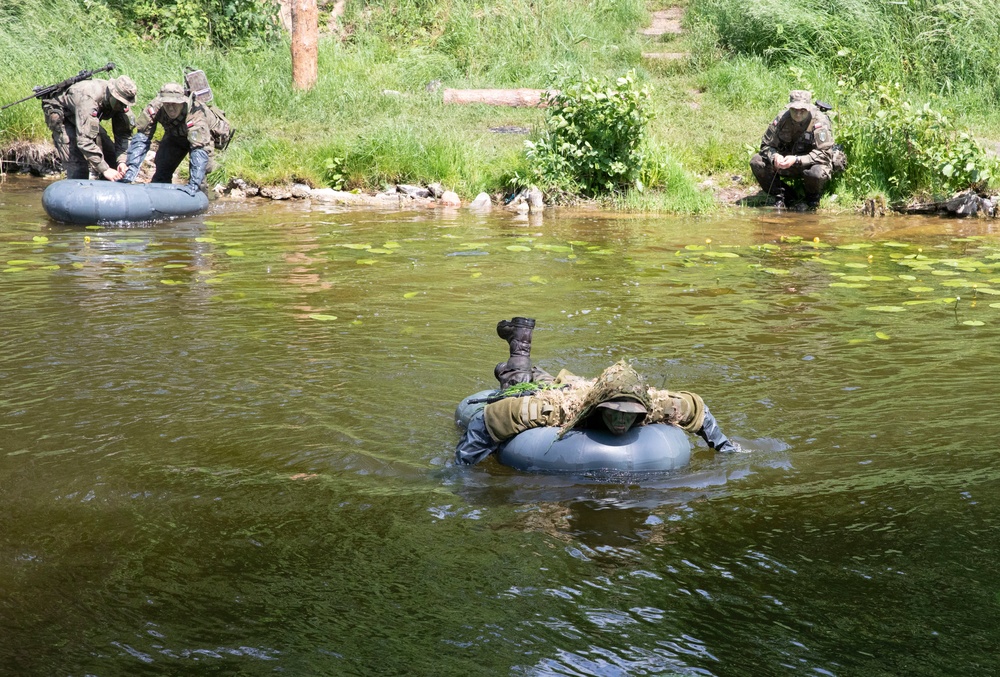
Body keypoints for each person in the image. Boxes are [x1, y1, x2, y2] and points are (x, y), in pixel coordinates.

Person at [455, 317, 743, 465]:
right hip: (568, 395)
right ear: (598, 410)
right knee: (521, 387)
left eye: (630, 415)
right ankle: (518, 347)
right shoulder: (554, 409)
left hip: (587, 388)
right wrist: (464, 469)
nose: (621, 421)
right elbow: (491, 418)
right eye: (614, 414)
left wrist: (725, 449)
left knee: (558, 380)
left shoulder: (655, 404)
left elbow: (697, 409)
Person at [749, 89, 839, 210]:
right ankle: (783, 196)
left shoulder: (819, 121)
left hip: (811, 164)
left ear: (808, 108)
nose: (798, 114)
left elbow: (824, 154)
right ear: (789, 108)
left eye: (802, 110)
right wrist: (775, 156)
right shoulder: (782, 119)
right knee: (757, 161)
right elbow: (765, 146)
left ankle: (812, 198)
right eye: (794, 110)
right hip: (786, 162)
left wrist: (797, 159)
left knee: (816, 173)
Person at [41, 75, 137, 181]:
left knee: (111, 157)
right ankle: (75, 190)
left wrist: (122, 161)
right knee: (79, 167)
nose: (123, 107)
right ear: (112, 95)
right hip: (63, 114)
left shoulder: (121, 105)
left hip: (85, 116)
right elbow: (84, 141)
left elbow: (123, 134)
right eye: (120, 103)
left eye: (125, 104)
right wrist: (105, 169)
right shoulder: (88, 99)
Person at [122, 83, 213, 195]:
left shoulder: (195, 114)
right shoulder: (154, 107)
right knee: (162, 167)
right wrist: (131, 169)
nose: (170, 108)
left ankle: (201, 200)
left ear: (182, 102)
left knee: (199, 179)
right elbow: (142, 137)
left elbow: (199, 151)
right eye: (167, 103)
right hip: (175, 136)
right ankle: (160, 198)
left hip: (202, 141)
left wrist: (193, 185)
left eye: (174, 104)